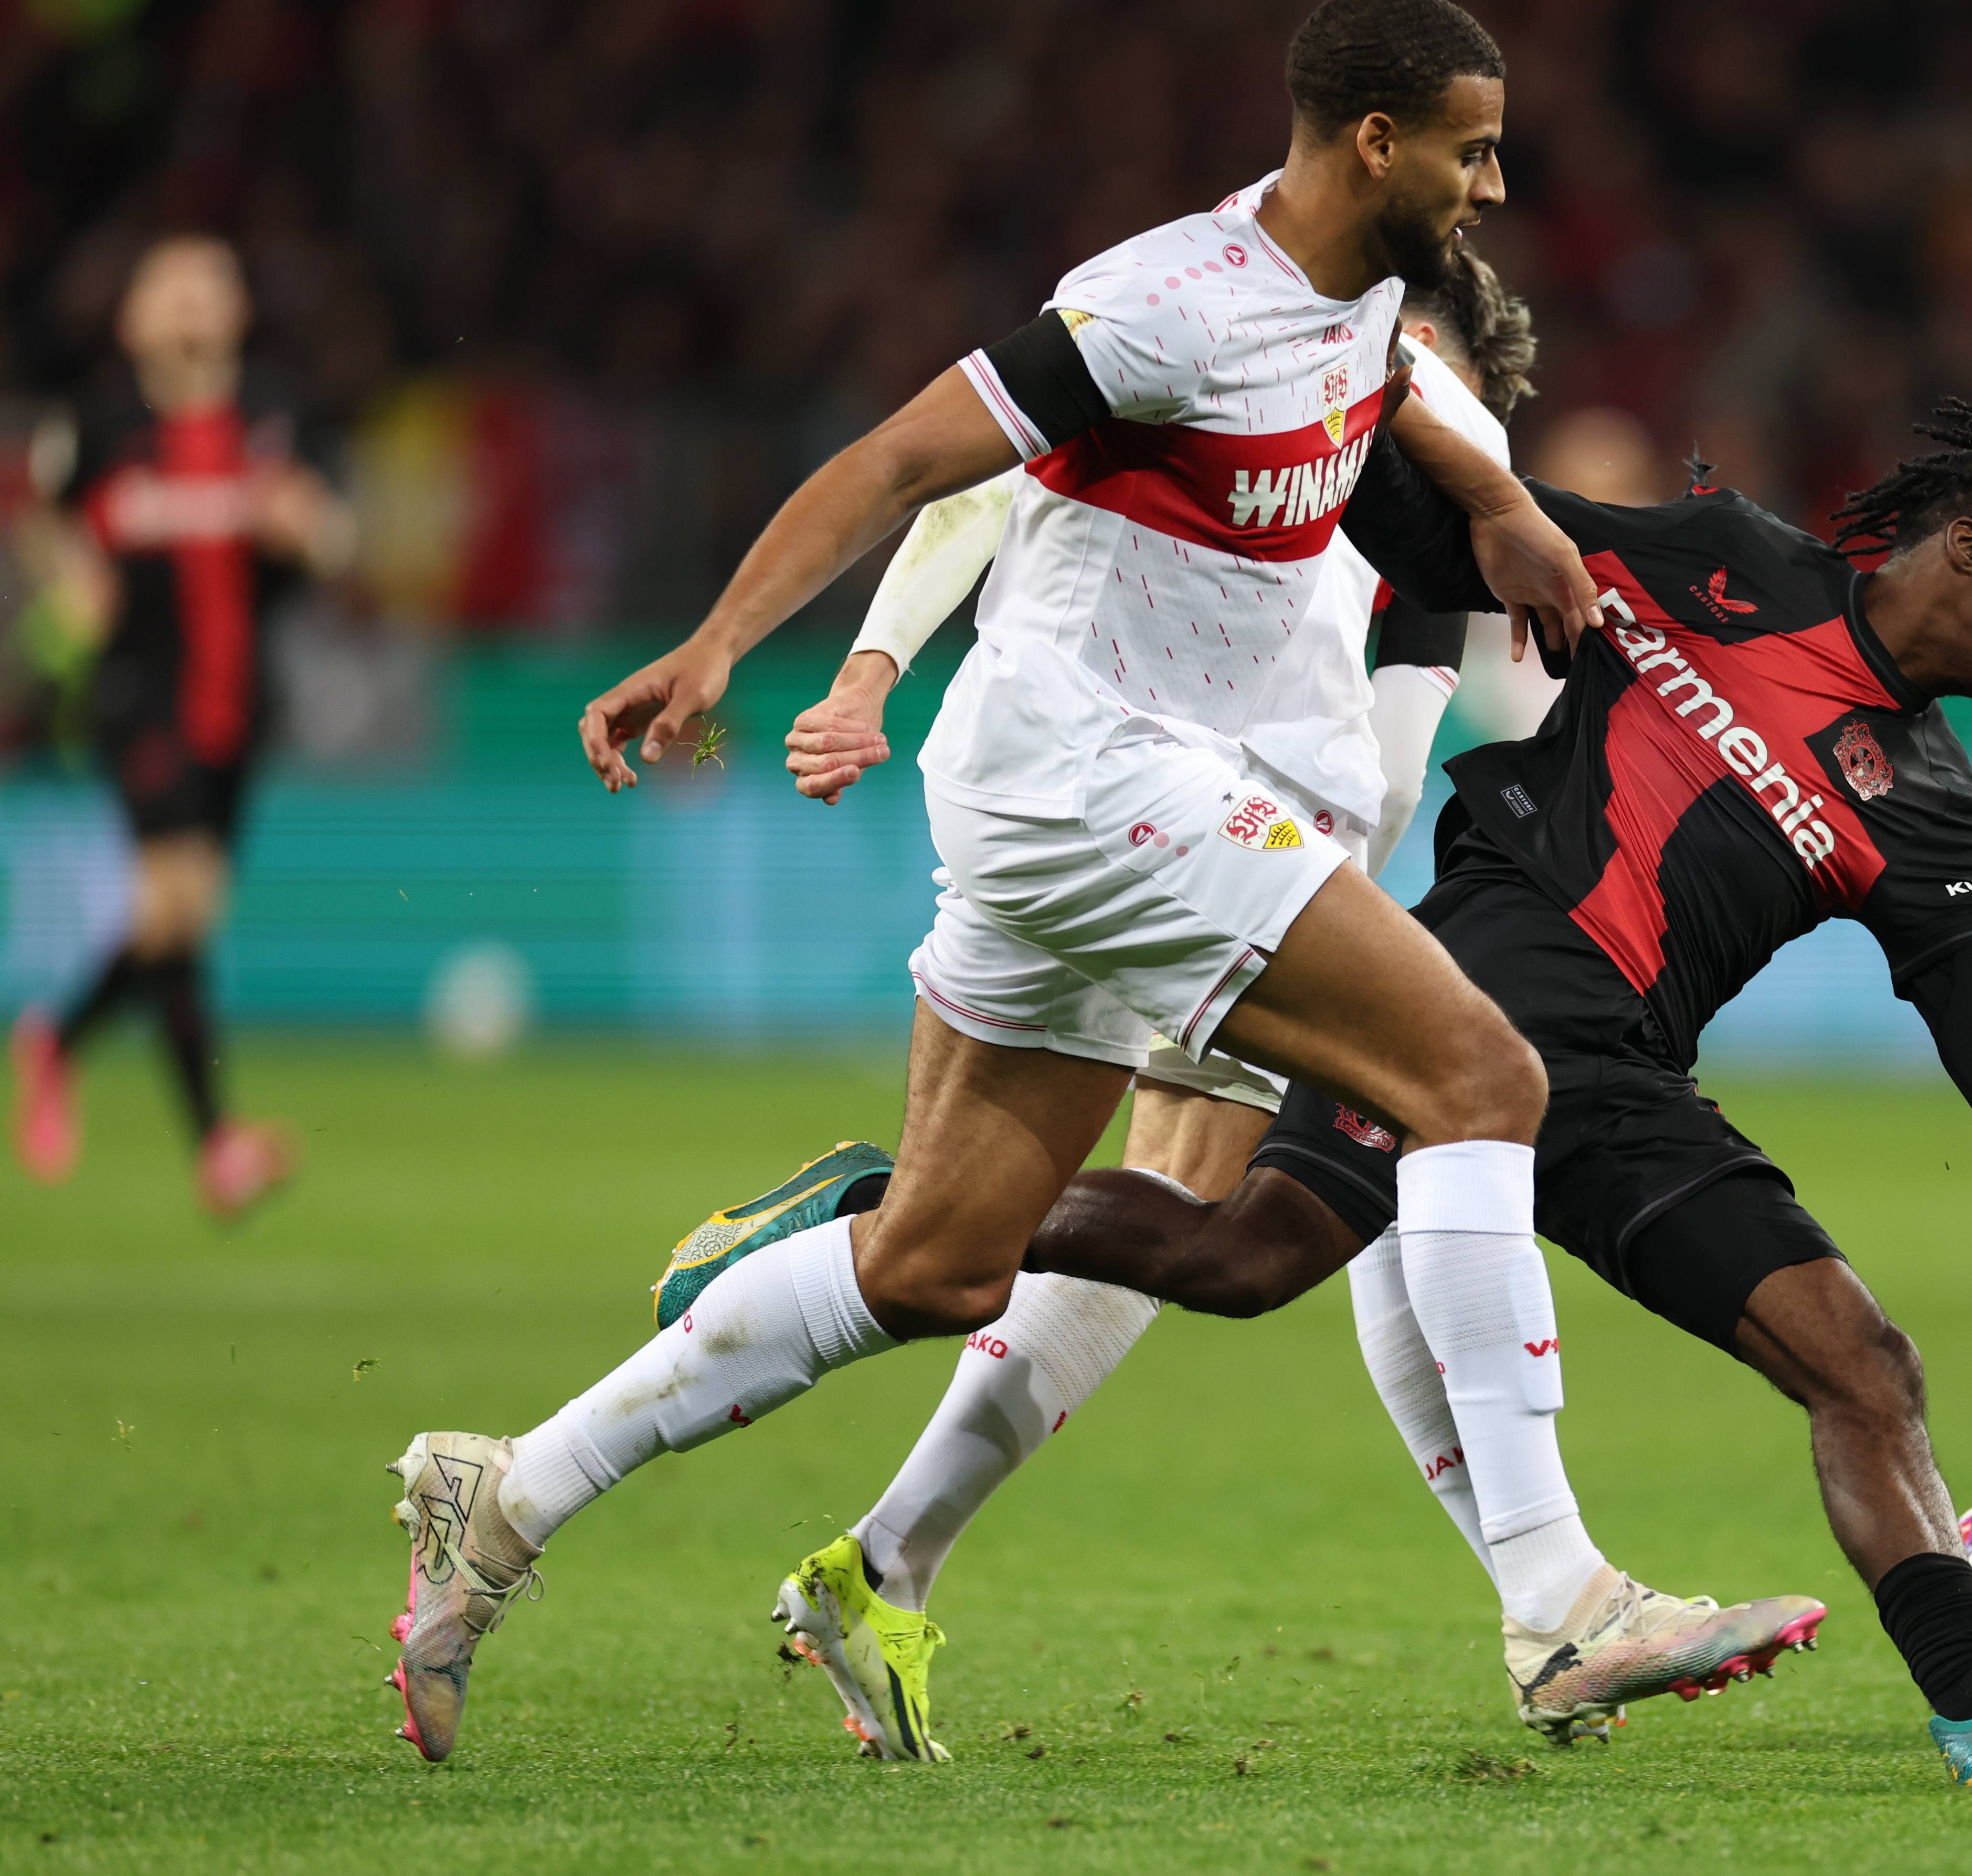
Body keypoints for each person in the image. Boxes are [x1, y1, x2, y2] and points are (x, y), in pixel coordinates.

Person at [381, 0, 1811, 1766]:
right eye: (1473, 146)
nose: (1497, 181)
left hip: (1084, 802)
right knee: (1482, 1079)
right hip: (1092, 782)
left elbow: (1394, 390)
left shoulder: (1361, 293)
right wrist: (727, 647)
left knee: (935, 1264)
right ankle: (1558, 1600)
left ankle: (505, 1494)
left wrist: (1497, 508)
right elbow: (909, 461)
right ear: (1375, 140)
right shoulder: (1162, 303)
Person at [693, 398, 1972, 1788]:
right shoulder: (1723, 563)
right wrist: (1362, 425)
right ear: (1963, 548)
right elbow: (1450, 524)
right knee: (1240, 1257)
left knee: (1865, 1364)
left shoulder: (1942, 825)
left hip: (1624, 1090)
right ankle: (879, 1211)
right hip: (1450, 1013)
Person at [695, 246, 1554, 1761]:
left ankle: (887, 1543)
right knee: (1208, 1209)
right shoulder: (1253, 372)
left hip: (1249, 858)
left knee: (1193, 1219)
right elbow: (979, 480)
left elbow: (1404, 737)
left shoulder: (1418, 484)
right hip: (1164, 825)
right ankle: (876, 1250)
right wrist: (869, 670)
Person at [8, 235, 351, 1218]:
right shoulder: (104, 421)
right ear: (134, 318)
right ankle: (217, 1145)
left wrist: (314, 533)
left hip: (239, 706)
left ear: (241, 310)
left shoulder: (278, 416)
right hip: (137, 696)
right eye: (173, 288)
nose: (194, 305)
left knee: (181, 919)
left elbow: (336, 536)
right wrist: (67, 579)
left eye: (213, 286)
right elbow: (44, 517)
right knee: (175, 901)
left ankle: (57, 1041)